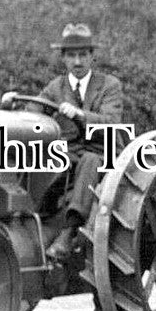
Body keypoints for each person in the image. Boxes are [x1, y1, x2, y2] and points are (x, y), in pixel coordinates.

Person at [38, 23, 125, 261]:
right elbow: (34, 111)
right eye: (72, 56)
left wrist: (79, 114)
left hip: (102, 155)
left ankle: (69, 232)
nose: (77, 62)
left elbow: (111, 122)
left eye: (83, 55)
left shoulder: (109, 86)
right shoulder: (55, 87)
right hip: (69, 154)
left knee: (89, 160)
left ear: (92, 57)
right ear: (63, 59)